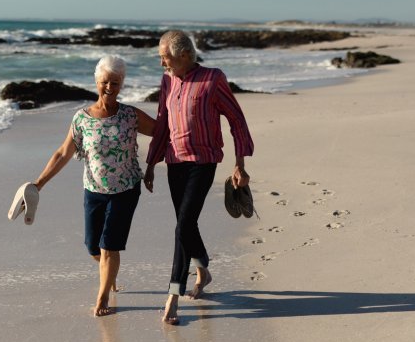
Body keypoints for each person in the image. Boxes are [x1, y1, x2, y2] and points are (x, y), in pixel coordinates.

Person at [143, 30, 254, 325]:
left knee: (182, 225)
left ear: (183, 55)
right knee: (186, 223)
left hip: (203, 163)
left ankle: (173, 295)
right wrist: (152, 161)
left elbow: (236, 119)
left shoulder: (213, 79)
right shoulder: (168, 80)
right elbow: (163, 122)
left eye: (164, 57)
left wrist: (239, 163)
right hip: (174, 161)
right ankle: (203, 269)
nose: (161, 63)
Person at [33, 55, 155, 317]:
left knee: (109, 245)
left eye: (115, 82)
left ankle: (103, 297)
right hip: (93, 190)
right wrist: (38, 183)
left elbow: (163, 132)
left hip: (125, 189)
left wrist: (153, 166)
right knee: (92, 246)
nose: (109, 87)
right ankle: (108, 274)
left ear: (122, 84)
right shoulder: (82, 119)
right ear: (96, 82)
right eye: (104, 82)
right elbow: (63, 153)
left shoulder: (130, 116)